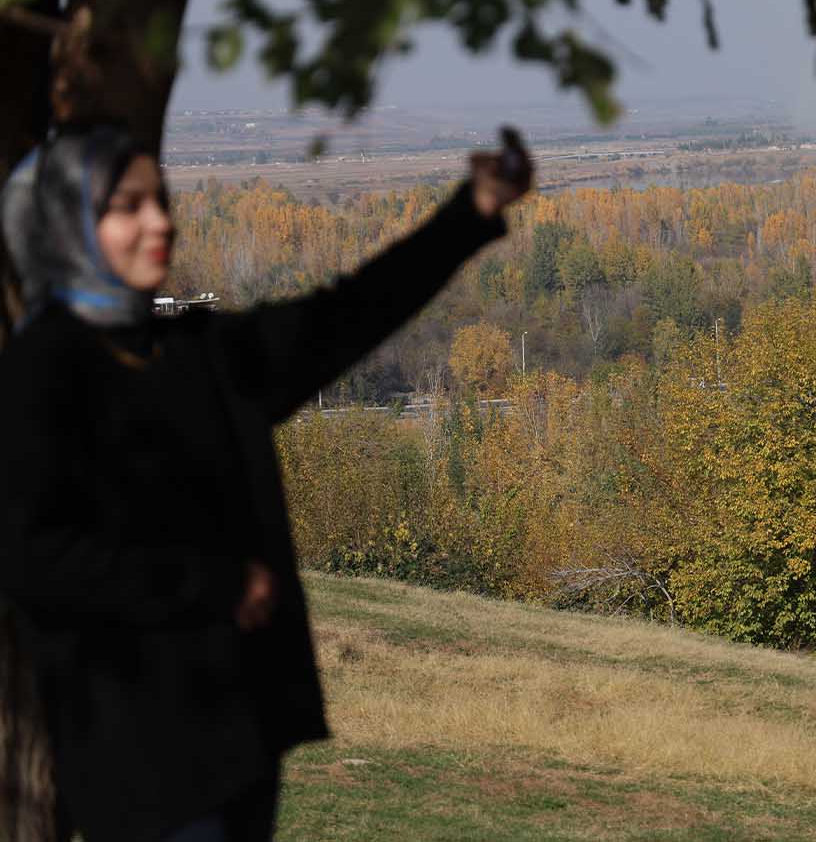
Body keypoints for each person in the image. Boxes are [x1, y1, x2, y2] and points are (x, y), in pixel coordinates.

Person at [0, 124, 532, 842]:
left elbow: (346, 314)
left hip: (240, 740)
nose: (161, 222)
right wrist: (209, 585)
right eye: (127, 207)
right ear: (65, 224)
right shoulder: (40, 373)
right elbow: (35, 558)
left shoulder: (196, 351)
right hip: (139, 756)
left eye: (161, 200)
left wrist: (472, 210)